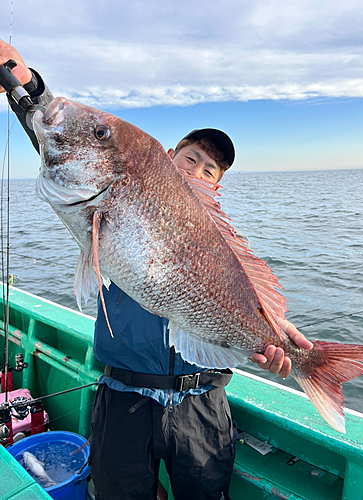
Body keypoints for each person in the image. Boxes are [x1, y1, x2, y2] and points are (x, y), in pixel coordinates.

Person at [0, 40, 313, 500]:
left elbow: (238, 289)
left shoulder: (218, 237)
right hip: (124, 398)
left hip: (203, 404)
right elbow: (62, 139)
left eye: (211, 171)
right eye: (191, 159)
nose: (199, 172)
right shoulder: (125, 192)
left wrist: (273, 330)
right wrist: (27, 85)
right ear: (168, 155)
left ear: (218, 185)